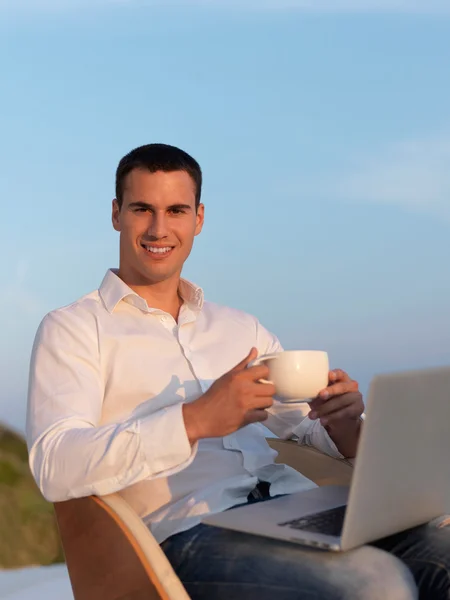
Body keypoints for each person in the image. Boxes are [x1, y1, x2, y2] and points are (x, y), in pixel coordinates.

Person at [27, 143, 449, 600]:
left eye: (176, 210)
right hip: (185, 535)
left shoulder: (240, 328)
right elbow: (55, 462)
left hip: (292, 508)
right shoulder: (73, 328)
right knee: (374, 582)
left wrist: (343, 423)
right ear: (116, 214)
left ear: (199, 219)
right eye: (142, 208)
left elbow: (304, 429)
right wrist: (194, 421)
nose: (159, 228)